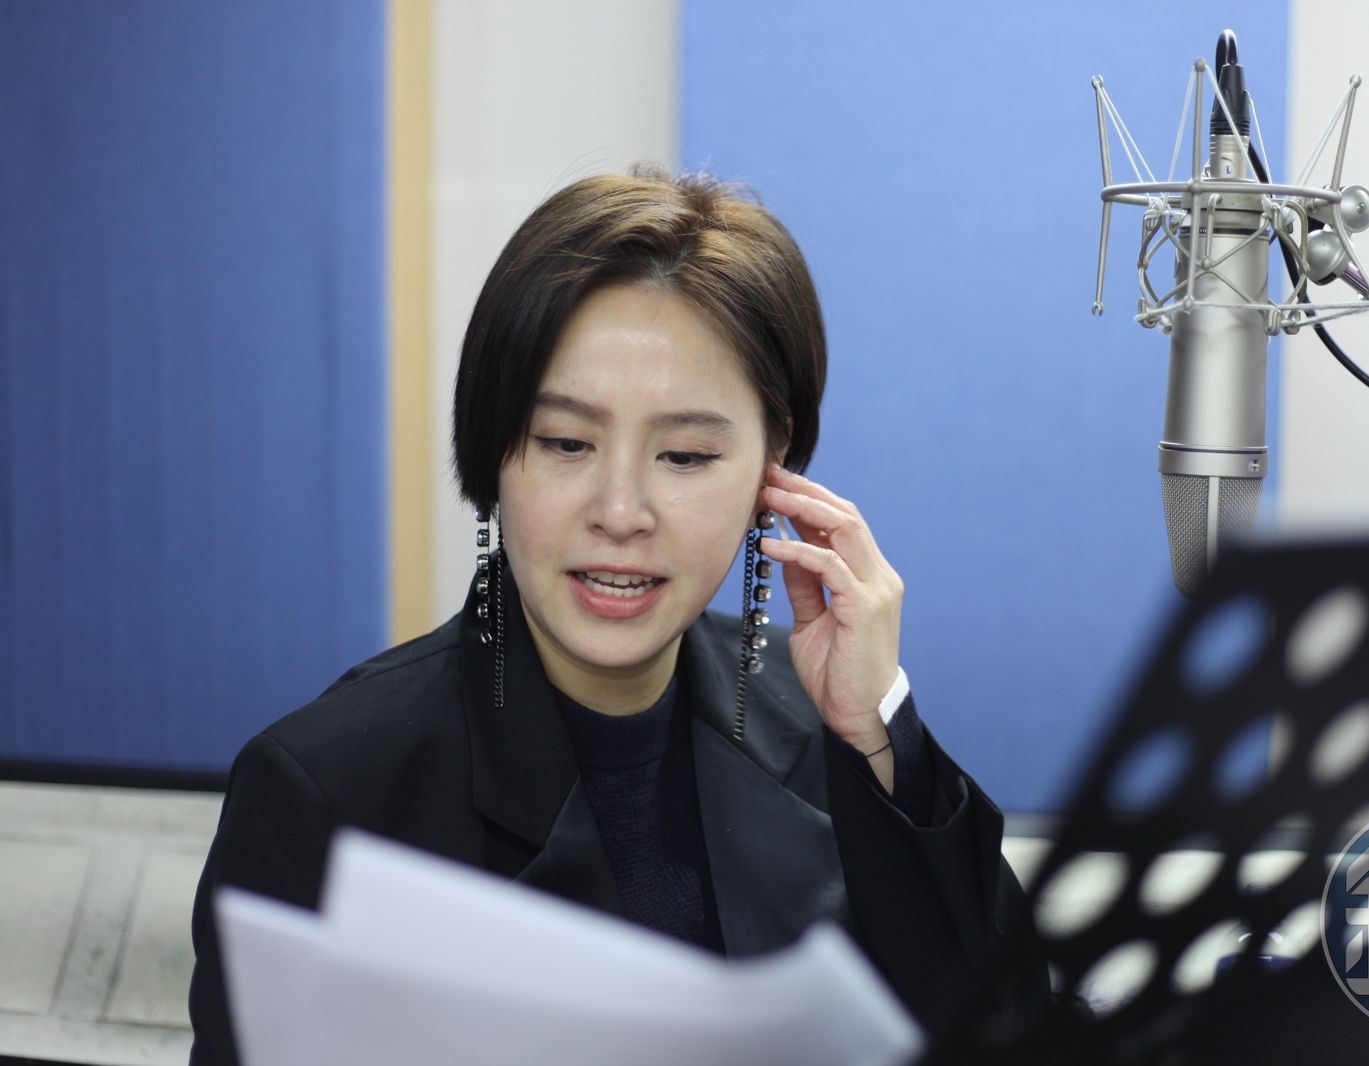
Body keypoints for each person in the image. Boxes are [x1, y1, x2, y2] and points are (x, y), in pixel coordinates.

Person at [188, 167, 1039, 1066]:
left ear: (773, 467)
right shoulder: (326, 790)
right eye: (566, 442)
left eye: (685, 455)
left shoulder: (829, 728)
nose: (622, 513)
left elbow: (1014, 1025)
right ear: (493, 446)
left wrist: (879, 741)